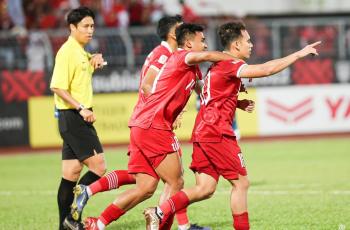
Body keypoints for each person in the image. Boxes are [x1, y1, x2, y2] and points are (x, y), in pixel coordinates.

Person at [144, 21, 321, 230]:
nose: (252, 44)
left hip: (203, 130)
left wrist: (236, 102)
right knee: (241, 183)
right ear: (236, 45)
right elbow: (266, 69)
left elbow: (212, 95)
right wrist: (298, 54)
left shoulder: (219, 64)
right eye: (248, 41)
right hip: (217, 131)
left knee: (205, 188)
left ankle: (158, 211)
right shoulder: (230, 63)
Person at [81, 23, 233, 230]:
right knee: (176, 182)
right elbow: (150, 82)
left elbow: (205, 93)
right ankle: (171, 227)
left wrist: (233, 97)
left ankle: (97, 224)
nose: (205, 45)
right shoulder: (180, 56)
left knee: (145, 186)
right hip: (155, 125)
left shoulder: (192, 68)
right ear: (188, 43)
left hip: (143, 125)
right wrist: (235, 59)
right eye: (202, 40)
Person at [49, 7, 107, 230]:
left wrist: (94, 60)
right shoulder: (67, 51)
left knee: (71, 173)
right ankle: (73, 218)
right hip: (74, 116)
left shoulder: (81, 51)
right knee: (99, 167)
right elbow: (57, 86)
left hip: (72, 117)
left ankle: (64, 226)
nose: (90, 30)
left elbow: (80, 73)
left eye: (92, 26)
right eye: (85, 26)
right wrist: (82, 108)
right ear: (72, 28)